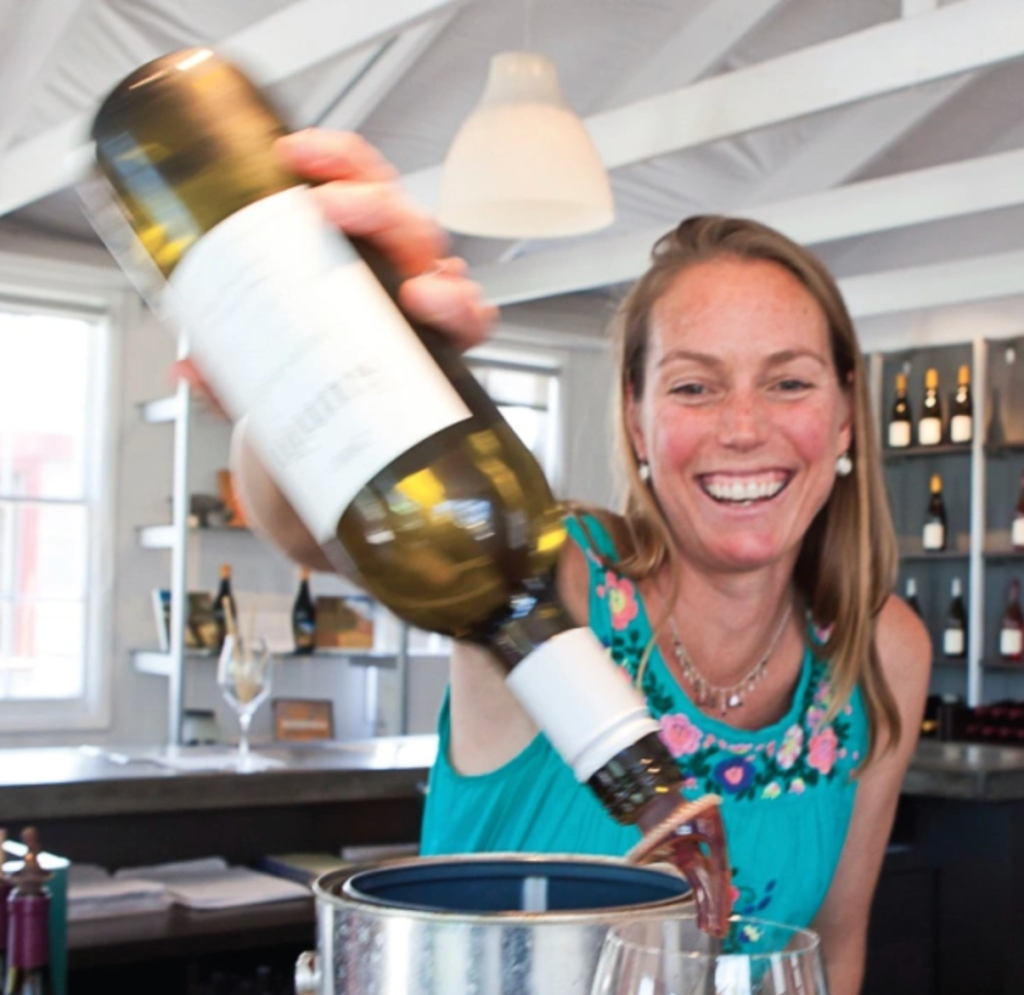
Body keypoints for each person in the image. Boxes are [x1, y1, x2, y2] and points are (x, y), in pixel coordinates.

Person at [224, 129, 931, 995]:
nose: (744, 427)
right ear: (636, 419)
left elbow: (834, 949)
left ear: (846, 414)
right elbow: (308, 528)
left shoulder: (881, 649)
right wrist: (315, 348)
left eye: (788, 382)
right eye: (694, 385)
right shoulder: (552, 575)